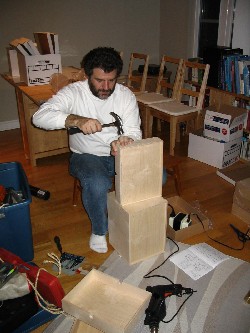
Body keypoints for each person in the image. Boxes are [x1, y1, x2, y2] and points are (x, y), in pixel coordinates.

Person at [32, 46, 142, 254]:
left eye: (111, 80)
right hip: (86, 156)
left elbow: (134, 131)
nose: (106, 86)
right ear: (87, 74)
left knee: (158, 176)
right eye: (99, 80)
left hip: (119, 155)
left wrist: (126, 140)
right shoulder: (73, 93)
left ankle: (128, 220)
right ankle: (100, 230)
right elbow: (39, 116)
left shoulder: (125, 95)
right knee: (98, 183)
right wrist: (74, 119)